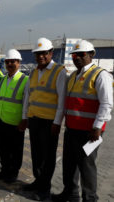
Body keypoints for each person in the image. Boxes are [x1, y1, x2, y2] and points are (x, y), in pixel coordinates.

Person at [52, 40, 113, 202]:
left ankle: (90, 198)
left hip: (89, 133)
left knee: (87, 167)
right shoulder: (73, 76)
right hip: (72, 129)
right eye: (74, 55)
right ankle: (70, 194)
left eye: (81, 54)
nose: (77, 58)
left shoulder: (101, 75)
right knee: (69, 164)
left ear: (91, 55)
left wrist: (98, 127)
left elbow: (107, 104)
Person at [22, 37, 67, 200]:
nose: (41, 56)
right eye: (38, 53)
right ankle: (38, 180)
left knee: (48, 156)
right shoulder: (33, 72)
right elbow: (28, 96)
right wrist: (24, 117)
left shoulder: (59, 71)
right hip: (34, 120)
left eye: (44, 53)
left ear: (51, 53)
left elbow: (62, 99)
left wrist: (57, 122)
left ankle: (45, 189)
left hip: (49, 123)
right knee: (36, 154)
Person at [0, 49, 28, 183]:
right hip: (1, 120)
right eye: (7, 62)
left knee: (16, 150)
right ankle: (4, 170)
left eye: (13, 61)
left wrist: (24, 119)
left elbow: (26, 102)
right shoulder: (3, 80)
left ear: (19, 63)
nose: (10, 64)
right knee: (4, 149)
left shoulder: (25, 80)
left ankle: (13, 173)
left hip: (15, 122)